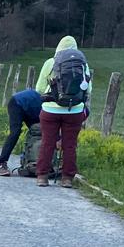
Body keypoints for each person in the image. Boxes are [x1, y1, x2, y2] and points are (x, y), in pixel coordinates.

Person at [34, 36, 92, 187]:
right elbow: (88, 89)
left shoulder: (50, 62)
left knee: (48, 142)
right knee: (70, 145)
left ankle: (42, 176)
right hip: (74, 111)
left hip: (50, 110)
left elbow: (39, 88)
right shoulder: (83, 64)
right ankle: (67, 178)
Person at [0, 84, 44, 176]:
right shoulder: (51, 110)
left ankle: (29, 161)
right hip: (17, 103)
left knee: (36, 134)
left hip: (31, 108)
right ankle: (1, 163)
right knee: (15, 132)